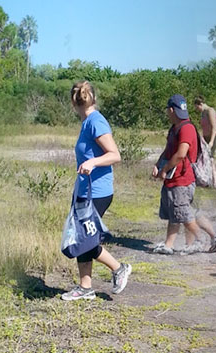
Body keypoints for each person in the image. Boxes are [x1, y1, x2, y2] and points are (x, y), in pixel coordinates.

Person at [62, 81, 134, 301]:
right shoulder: (87, 122)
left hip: (98, 192)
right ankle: (85, 287)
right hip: (85, 191)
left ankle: (119, 268)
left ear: (74, 103)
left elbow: (115, 154)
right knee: (81, 237)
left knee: (84, 239)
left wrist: (92, 163)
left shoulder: (96, 121)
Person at [152, 95, 216, 255]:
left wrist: (165, 169)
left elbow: (181, 153)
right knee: (179, 213)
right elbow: (168, 150)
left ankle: (200, 241)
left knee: (183, 214)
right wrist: (158, 164)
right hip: (174, 180)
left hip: (182, 180)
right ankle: (170, 245)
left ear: (170, 110)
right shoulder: (174, 128)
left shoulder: (186, 128)